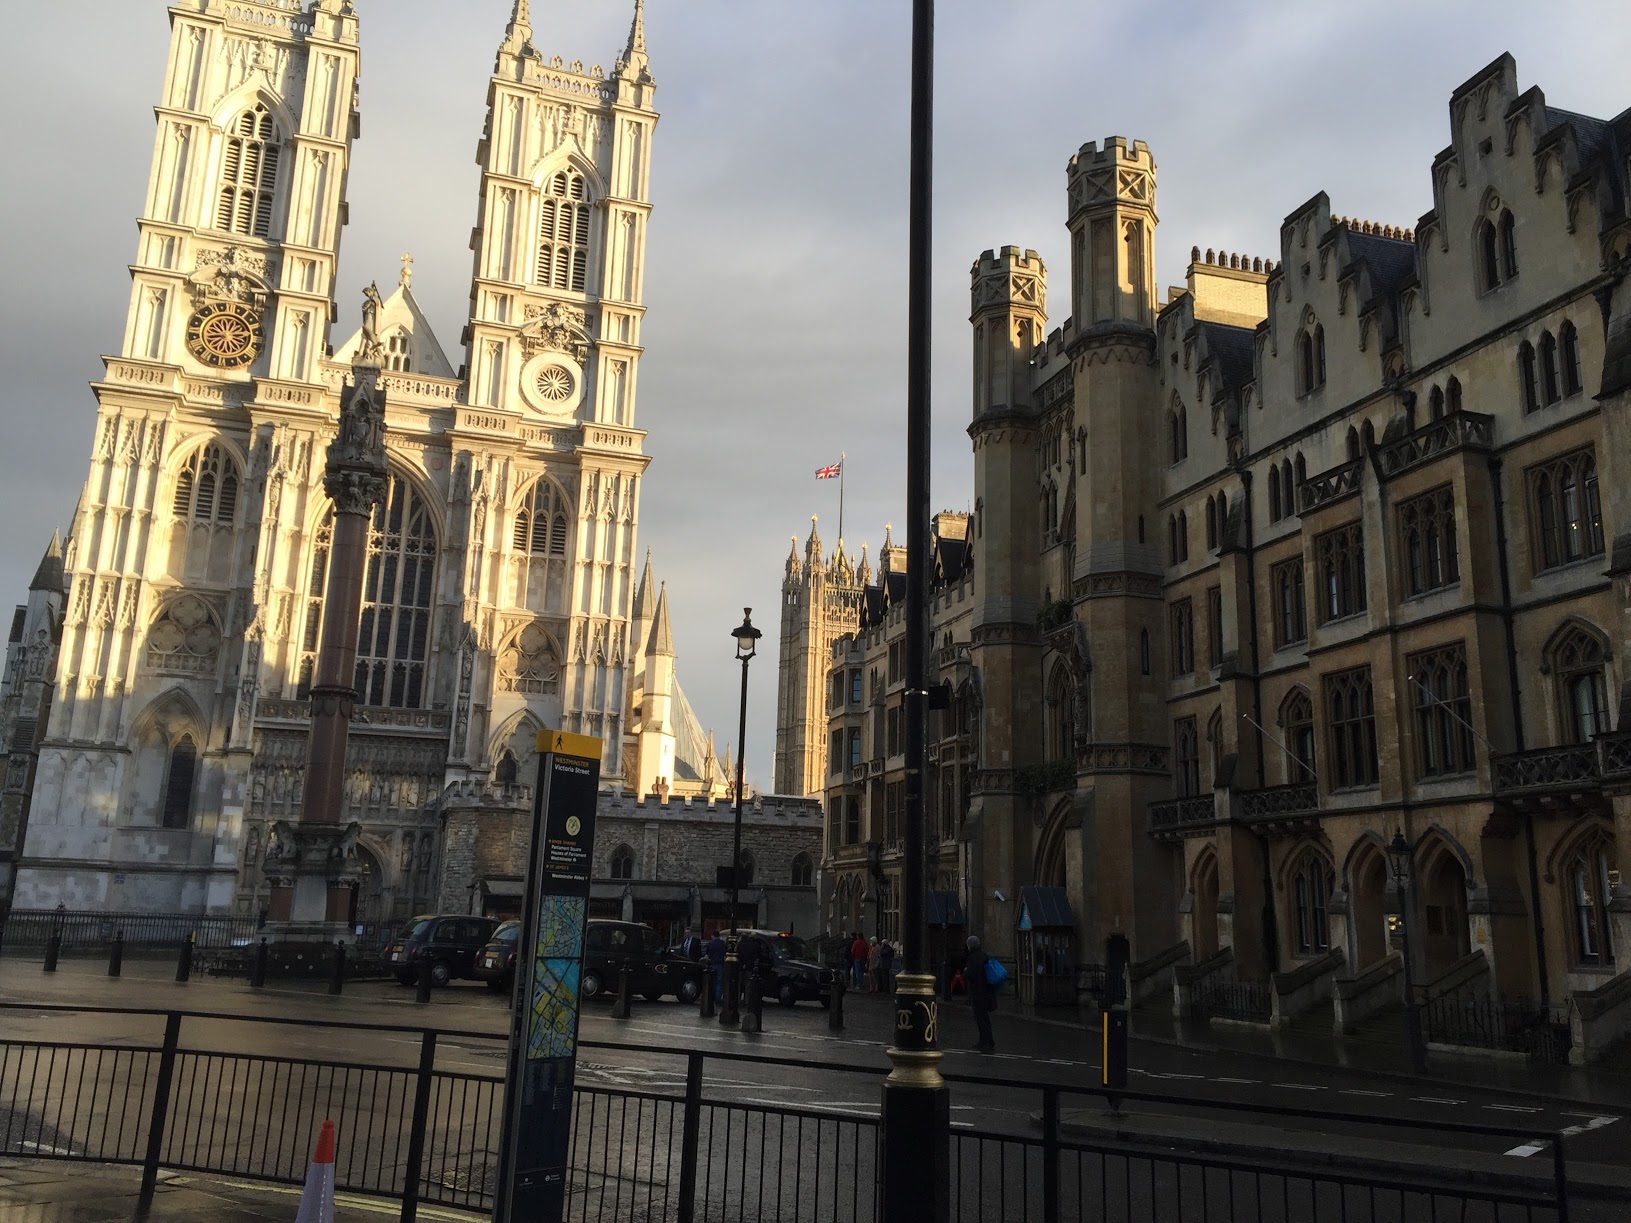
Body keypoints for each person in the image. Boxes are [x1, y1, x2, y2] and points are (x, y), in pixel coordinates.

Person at [964, 935, 996, 1052]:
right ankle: (987, 1040)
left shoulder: (972, 957)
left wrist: (965, 972)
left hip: (978, 992)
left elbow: (971, 974)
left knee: (980, 1018)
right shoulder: (983, 955)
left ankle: (985, 1041)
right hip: (986, 991)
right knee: (985, 1017)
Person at [704, 930, 726, 1004]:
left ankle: (712, 997)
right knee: (719, 982)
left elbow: (707, 954)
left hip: (712, 964)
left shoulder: (710, 943)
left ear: (713, 935)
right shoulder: (723, 943)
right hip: (720, 964)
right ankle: (717, 998)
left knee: (712, 981)